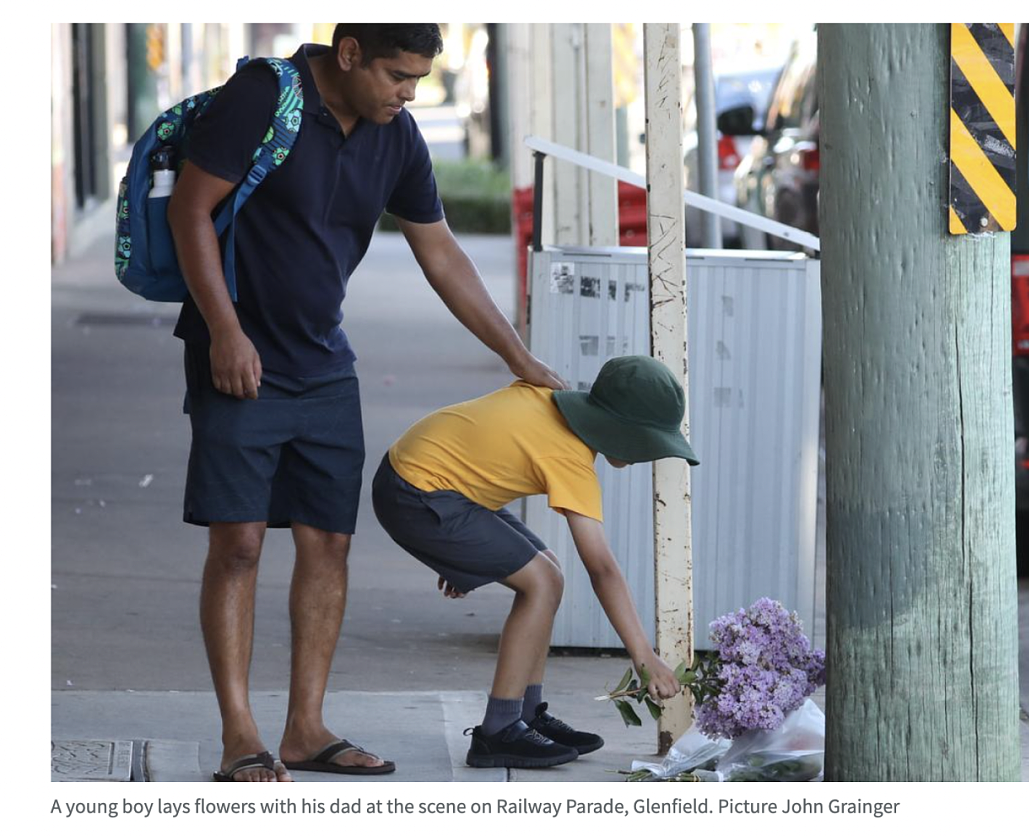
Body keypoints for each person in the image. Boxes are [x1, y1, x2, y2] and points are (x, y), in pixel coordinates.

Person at [167, 23, 566, 782]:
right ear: (348, 54)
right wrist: (224, 330)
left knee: (329, 545)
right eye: (396, 74)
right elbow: (191, 210)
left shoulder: (398, 136)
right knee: (240, 544)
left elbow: (440, 251)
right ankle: (240, 733)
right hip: (238, 360)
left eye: (417, 78)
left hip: (324, 365)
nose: (408, 92)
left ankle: (304, 728)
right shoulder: (262, 97)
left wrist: (519, 357)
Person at [372, 355, 699, 768]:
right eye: (646, 442)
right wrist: (643, 656)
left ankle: (525, 716)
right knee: (541, 581)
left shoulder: (553, 399)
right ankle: (498, 732)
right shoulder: (569, 458)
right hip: (417, 494)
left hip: (430, 479)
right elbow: (601, 567)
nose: (647, 455)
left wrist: (464, 553)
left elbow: (482, 448)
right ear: (619, 430)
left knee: (550, 571)